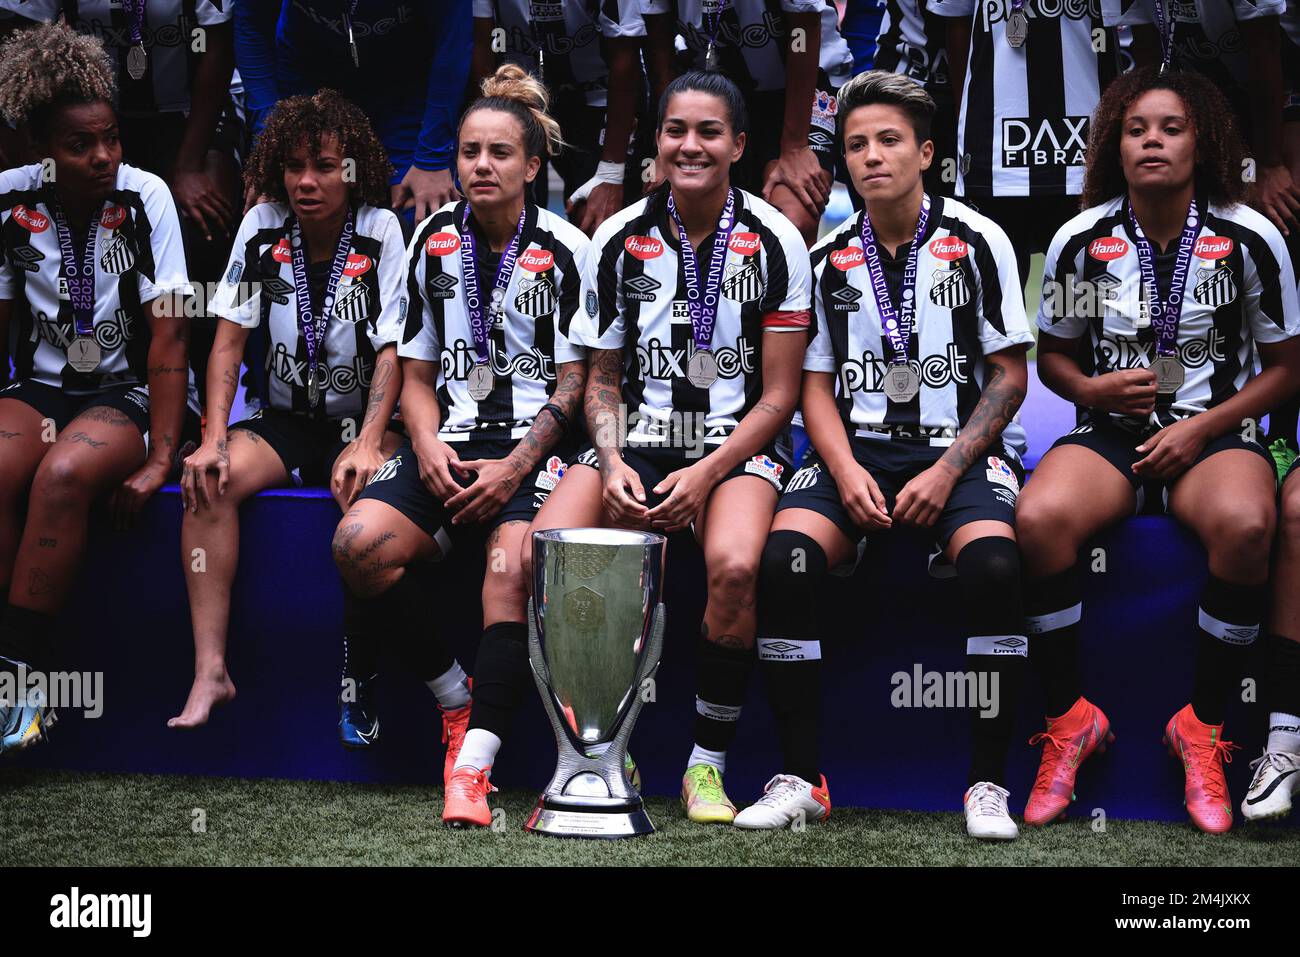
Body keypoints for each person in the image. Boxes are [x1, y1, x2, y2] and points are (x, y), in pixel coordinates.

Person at [742, 70, 1034, 838]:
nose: (871, 156)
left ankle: (987, 783)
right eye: (856, 145)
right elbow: (812, 383)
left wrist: (946, 470)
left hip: (958, 454)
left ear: (926, 153)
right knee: (783, 562)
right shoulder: (829, 251)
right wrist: (842, 469)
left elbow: (1010, 374)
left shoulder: (979, 240)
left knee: (997, 568)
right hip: (856, 453)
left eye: (889, 141)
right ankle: (802, 777)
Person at [1018, 65, 1300, 834]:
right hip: (1112, 435)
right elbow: (1054, 359)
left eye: (1170, 128)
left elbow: (1286, 369)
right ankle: (1069, 719)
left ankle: (1202, 727)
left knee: (1248, 524)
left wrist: (1202, 428)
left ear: (1201, 141)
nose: (1152, 141)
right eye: (1138, 128)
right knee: (1038, 516)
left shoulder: (1250, 234)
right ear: (1116, 140)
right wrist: (1093, 392)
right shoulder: (1084, 238)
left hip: (1215, 434)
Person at [529, 70, 812, 825]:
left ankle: (706, 765)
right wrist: (616, 462)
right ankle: (601, 747)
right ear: (655, 141)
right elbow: (602, 380)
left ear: (739, 145)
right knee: (552, 540)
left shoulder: (776, 238)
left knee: (735, 565)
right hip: (638, 442)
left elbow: (780, 396)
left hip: (733, 448)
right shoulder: (618, 238)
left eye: (708, 132)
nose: (690, 145)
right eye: (675, 130)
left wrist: (707, 471)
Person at [331, 65, 591, 827]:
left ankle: (473, 771)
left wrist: (515, 464)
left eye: (500, 152)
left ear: (532, 166)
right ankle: (454, 697)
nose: (481, 165)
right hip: (448, 446)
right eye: (470, 150)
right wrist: (425, 443)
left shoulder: (572, 247)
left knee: (508, 575)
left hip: (535, 458)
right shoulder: (430, 240)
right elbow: (413, 369)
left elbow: (576, 385)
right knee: (356, 543)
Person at [169, 90, 408, 730]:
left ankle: (360, 671)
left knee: (364, 492)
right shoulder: (261, 226)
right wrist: (213, 437)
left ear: (352, 169)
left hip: (361, 422)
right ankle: (210, 671)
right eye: (296, 166)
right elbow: (227, 340)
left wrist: (369, 442)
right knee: (208, 484)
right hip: (281, 421)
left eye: (326, 166)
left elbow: (392, 351)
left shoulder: (383, 230)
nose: (307, 181)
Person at [0, 23, 199, 750]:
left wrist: (159, 456)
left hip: (131, 391)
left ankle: (20, 686)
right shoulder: (8, 200)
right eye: (80, 144)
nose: (104, 155)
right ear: (36, 149)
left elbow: (172, 334)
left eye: (111, 137)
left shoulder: (145, 196)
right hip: (42, 387)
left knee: (62, 475)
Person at [0, 0, 242, 409]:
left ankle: (188, 394)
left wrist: (186, 166)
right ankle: (46, 374)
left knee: (204, 224)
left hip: (186, 110)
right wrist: (25, 146)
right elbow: (19, 39)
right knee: (48, 222)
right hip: (83, 109)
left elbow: (216, 49)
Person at [932, 0, 1123, 286]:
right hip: (993, 152)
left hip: (1084, 157)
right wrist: (968, 115)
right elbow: (956, 22)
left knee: (1085, 300)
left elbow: (1138, 24)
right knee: (995, 301)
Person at [234, 0, 472, 224]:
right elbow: (251, 28)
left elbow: (454, 39)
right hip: (307, 81)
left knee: (418, 213)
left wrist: (432, 157)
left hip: (405, 89)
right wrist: (268, 145)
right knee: (283, 206)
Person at [642, 1, 855, 246]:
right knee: (661, 198)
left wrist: (795, 147)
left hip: (800, 82)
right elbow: (658, 48)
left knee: (794, 218)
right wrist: (663, 150)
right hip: (708, 91)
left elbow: (802, 34)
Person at [469, 0, 651, 236]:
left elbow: (626, 60)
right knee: (511, 218)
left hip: (599, 97)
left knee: (594, 219)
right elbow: (482, 45)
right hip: (519, 95)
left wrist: (611, 173)